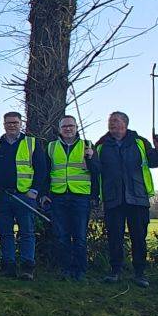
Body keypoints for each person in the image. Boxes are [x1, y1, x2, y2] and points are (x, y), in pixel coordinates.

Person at [92, 111, 158, 288]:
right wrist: (90, 158)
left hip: (137, 197)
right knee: (114, 237)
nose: (112, 124)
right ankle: (115, 271)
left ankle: (140, 273)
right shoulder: (101, 145)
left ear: (125, 123)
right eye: (110, 121)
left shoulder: (140, 142)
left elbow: (157, 161)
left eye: (116, 121)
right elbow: (95, 171)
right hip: (113, 198)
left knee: (139, 236)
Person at [0, 112, 49, 280]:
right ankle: (8, 267)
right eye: (8, 123)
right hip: (1, 195)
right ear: (3, 124)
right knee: (5, 233)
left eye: (15, 122)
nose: (11, 125)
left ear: (21, 124)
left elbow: (41, 169)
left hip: (24, 196)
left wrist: (34, 191)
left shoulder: (31, 142)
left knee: (27, 233)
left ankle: (27, 269)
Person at [44, 115, 95, 281]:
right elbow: (45, 172)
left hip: (80, 196)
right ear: (59, 129)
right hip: (58, 196)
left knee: (79, 236)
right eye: (64, 126)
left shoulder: (87, 145)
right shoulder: (51, 147)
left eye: (71, 126)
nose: (68, 129)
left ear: (76, 128)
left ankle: (80, 271)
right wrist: (45, 194)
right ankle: (65, 270)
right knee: (62, 236)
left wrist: (92, 158)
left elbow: (97, 172)